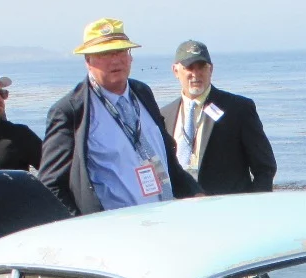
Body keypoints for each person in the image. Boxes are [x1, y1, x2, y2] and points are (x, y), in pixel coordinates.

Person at [39, 18, 199, 215]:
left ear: (130, 56)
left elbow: (167, 162)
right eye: (105, 54)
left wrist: (199, 198)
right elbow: (51, 186)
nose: (115, 60)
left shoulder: (142, 93)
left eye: (121, 51)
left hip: (162, 219)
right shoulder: (71, 111)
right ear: (88, 60)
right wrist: (85, 226)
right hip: (115, 233)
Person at [160, 40, 276, 195]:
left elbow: (265, 168)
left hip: (228, 211)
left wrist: (254, 205)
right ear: (175, 70)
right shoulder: (164, 115)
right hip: (181, 211)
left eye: (201, 67)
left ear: (211, 69)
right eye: (189, 67)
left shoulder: (238, 109)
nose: (196, 74)